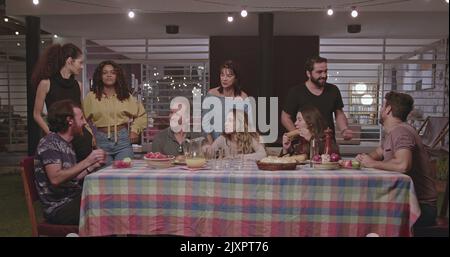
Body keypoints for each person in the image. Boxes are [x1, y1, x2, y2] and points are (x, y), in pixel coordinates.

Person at [355, 91, 437, 228]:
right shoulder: (393, 133)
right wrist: (365, 158)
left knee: (362, 212)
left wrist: (372, 163)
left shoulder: (401, 132)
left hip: (421, 208)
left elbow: (403, 164)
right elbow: (378, 153)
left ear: (388, 109)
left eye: (382, 106)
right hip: (408, 201)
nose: (381, 109)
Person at [34, 100, 106, 225]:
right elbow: (56, 178)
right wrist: (87, 160)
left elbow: (70, 177)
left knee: (109, 200)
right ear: (70, 120)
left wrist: (92, 166)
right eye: (81, 118)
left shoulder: (67, 144)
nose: (84, 122)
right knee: (106, 208)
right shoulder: (50, 144)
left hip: (72, 199)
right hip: (58, 208)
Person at [32, 43, 93, 162]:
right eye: (80, 63)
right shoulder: (46, 83)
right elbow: (36, 114)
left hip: (80, 139)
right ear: (69, 61)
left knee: (84, 174)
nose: (81, 67)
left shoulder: (78, 85)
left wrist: (90, 134)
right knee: (63, 174)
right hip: (57, 138)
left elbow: (82, 115)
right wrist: (51, 134)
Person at [83, 60, 147, 165]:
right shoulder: (91, 97)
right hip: (101, 141)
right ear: (100, 76)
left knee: (124, 175)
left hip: (123, 140)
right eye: (105, 73)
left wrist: (135, 130)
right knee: (103, 176)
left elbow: (141, 115)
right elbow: (81, 120)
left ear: (117, 76)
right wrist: (90, 135)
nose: (109, 75)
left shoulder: (126, 96)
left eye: (113, 72)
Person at [281, 56, 353, 142]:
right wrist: (298, 134)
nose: (324, 75)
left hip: (328, 144)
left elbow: (339, 113)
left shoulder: (333, 90)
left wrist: (344, 130)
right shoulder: (296, 92)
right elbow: (285, 117)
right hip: (304, 146)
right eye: (319, 72)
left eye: (325, 71)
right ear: (308, 73)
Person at [203, 60, 249, 143]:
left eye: (229, 75)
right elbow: (206, 125)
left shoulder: (243, 98)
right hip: (214, 143)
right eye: (222, 75)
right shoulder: (211, 94)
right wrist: (212, 146)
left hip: (236, 145)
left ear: (235, 78)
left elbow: (245, 126)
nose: (224, 79)